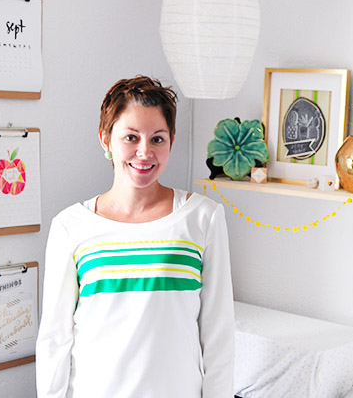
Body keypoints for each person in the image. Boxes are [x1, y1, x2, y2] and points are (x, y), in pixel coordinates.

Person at [35, 76, 235, 398]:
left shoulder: (203, 217)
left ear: (171, 141)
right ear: (106, 139)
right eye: (131, 137)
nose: (144, 152)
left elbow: (218, 334)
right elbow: (55, 339)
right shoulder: (71, 226)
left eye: (158, 139)